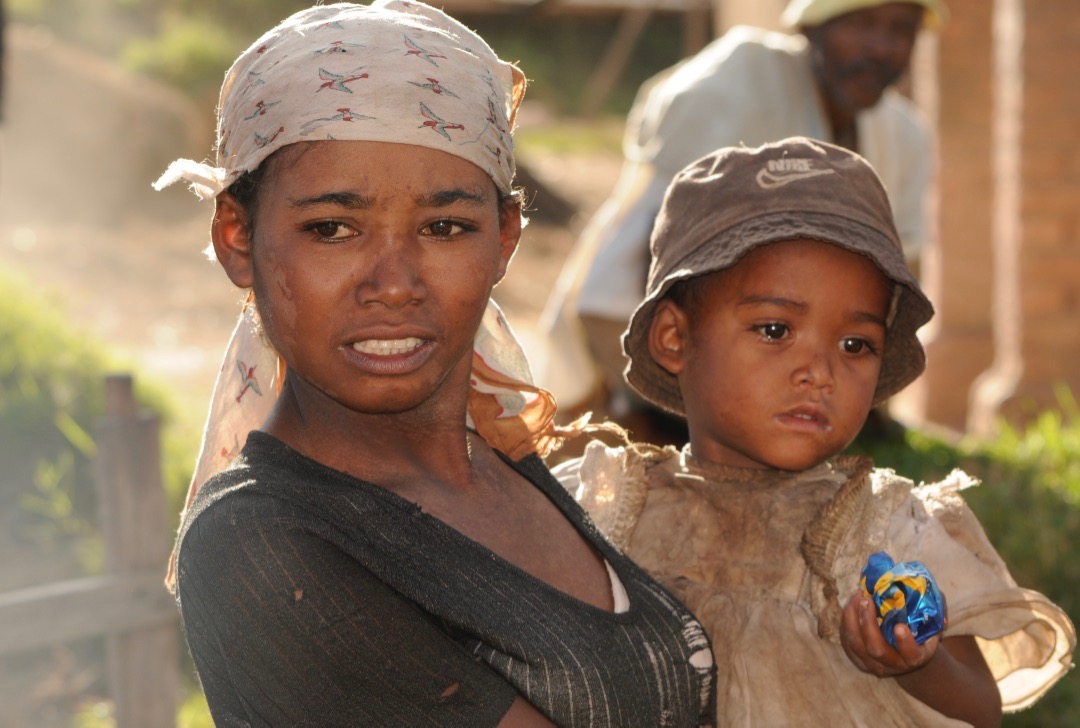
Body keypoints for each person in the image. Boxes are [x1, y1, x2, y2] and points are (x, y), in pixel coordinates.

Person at [154, 2, 716, 725]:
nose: (394, 281)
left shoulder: (505, 460)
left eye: (445, 227)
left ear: (505, 238)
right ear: (238, 237)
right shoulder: (262, 545)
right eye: (332, 229)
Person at [555, 138, 1076, 726]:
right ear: (675, 338)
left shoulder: (887, 532)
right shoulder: (608, 509)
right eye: (775, 329)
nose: (820, 371)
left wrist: (914, 663)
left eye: (855, 344)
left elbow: (982, 708)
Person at [536, 0, 946, 441]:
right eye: (861, 24)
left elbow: (900, 280)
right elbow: (656, 250)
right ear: (811, 28)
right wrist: (670, 404)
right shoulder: (736, 86)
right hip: (635, 344)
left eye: (901, 29)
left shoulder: (904, 138)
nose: (881, 47)